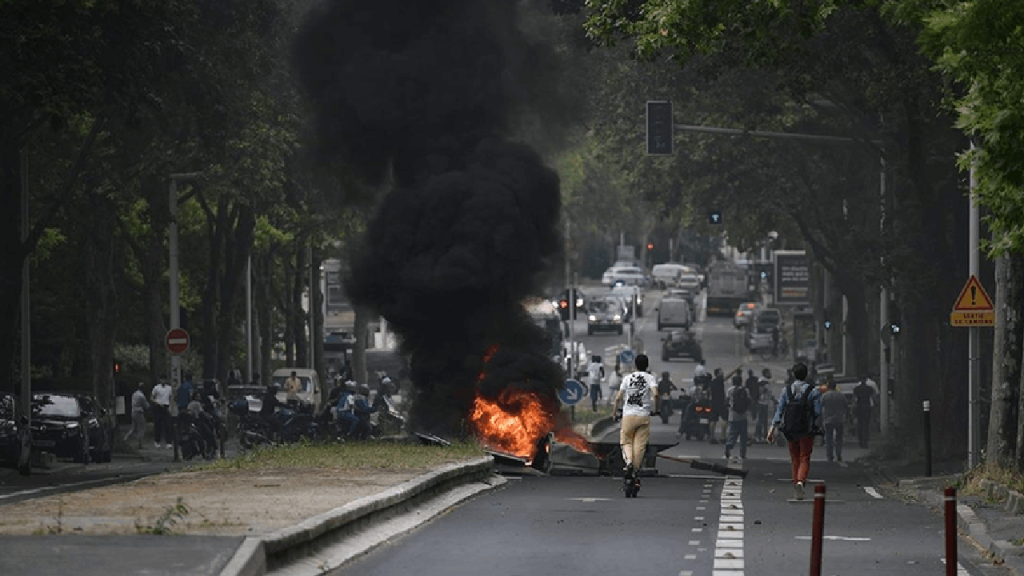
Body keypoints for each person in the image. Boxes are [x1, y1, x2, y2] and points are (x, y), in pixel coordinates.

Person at [767, 363, 823, 500]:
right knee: (805, 457)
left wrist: (772, 428)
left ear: (793, 374)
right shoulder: (813, 391)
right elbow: (817, 412)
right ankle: (801, 481)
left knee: (794, 458)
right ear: (806, 375)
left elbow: (780, 410)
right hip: (807, 430)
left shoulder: (787, 391)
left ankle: (795, 485)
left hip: (790, 431)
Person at [613, 353, 658, 482]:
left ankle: (629, 463)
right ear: (647, 365)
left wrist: (614, 413)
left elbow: (618, 398)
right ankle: (636, 469)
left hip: (628, 415)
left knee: (626, 441)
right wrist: (656, 409)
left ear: (635, 365)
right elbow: (656, 394)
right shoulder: (650, 378)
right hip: (643, 416)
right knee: (640, 445)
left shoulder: (627, 378)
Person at [820, 379, 848, 462]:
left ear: (828, 387)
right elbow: (846, 406)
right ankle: (838, 453)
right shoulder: (841, 395)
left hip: (828, 419)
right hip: (839, 419)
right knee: (839, 438)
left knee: (829, 438)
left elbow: (820, 406)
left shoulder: (825, 396)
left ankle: (830, 456)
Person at [724, 374, 749, 460]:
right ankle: (742, 454)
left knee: (732, 433)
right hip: (743, 415)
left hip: (733, 415)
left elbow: (726, 401)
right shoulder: (745, 390)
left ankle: (729, 444)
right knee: (743, 436)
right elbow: (749, 401)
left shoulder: (730, 390)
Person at [124, 382, 150, 448]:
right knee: (141, 428)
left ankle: (125, 439)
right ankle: (140, 443)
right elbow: (146, 406)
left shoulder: (134, 394)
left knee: (133, 428)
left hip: (133, 412)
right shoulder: (142, 396)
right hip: (139, 413)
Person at [853, 376, 876, 448]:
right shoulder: (869, 389)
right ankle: (865, 441)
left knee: (860, 424)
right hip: (867, 406)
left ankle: (860, 441)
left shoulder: (857, 389)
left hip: (859, 406)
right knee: (866, 424)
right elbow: (873, 396)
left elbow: (854, 398)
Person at [150, 379, 173, 449]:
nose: (163, 381)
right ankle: (157, 441)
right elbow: (151, 397)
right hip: (158, 406)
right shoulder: (156, 388)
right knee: (158, 424)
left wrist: (171, 407)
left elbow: (171, 398)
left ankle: (168, 442)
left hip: (166, 406)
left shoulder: (169, 388)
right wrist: (156, 402)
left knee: (167, 425)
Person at [755, 369, 774, 442]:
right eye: (769, 372)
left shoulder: (764, 381)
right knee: (760, 420)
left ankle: (763, 435)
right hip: (762, 403)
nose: (770, 374)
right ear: (765, 373)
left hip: (765, 403)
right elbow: (767, 391)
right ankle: (758, 435)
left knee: (764, 420)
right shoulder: (763, 381)